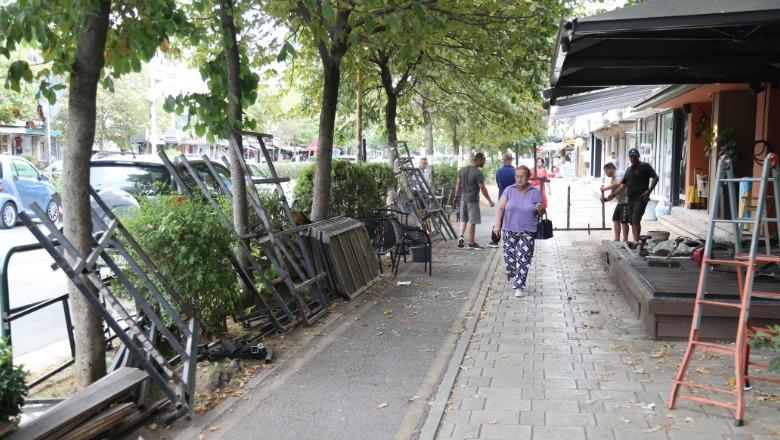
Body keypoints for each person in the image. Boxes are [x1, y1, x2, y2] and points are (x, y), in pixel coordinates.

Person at [492, 165, 545, 297]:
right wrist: (497, 225)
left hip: (528, 230)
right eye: (517, 176)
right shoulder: (509, 190)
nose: (519, 179)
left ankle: (519, 286)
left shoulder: (534, 191)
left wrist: (540, 209)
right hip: (509, 230)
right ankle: (514, 274)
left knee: (523, 258)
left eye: (522, 177)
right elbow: (500, 208)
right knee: (510, 260)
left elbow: (541, 213)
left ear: (528, 177)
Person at [611, 148, 659, 242]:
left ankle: (636, 241)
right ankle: (635, 241)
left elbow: (655, 177)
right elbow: (623, 185)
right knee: (632, 221)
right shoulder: (628, 170)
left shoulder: (645, 166)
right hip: (630, 199)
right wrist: (613, 194)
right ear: (629, 157)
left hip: (641, 198)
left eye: (635, 156)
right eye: (631, 156)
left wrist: (649, 191)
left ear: (638, 156)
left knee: (635, 219)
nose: (633, 158)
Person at [453, 152, 495, 250]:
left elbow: (458, 184)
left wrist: (456, 196)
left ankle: (461, 236)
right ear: (478, 160)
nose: (484, 162)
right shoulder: (478, 172)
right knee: (472, 221)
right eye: (483, 160)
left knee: (463, 219)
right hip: (473, 200)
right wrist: (489, 200)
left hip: (463, 199)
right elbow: (482, 188)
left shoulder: (462, 170)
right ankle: (471, 243)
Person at [488, 153, 516, 248]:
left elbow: (498, 184)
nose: (502, 161)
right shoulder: (515, 171)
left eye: (503, 159)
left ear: (506, 160)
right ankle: (513, 238)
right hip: (514, 197)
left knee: (499, 218)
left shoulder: (499, 171)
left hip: (502, 197)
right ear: (511, 160)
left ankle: (495, 240)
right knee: (514, 217)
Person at [601, 162, 629, 242]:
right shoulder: (613, 179)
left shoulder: (619, 173)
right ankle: (617, 239)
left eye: (606, 171)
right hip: (620, 202)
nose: (606, 173)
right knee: (615, 219)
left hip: (626, 201)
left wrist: (605, 188)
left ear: (611, 168)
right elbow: (612, 195)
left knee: (624, 221)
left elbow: (618, 183)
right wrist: (606, 200)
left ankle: (625, 240)